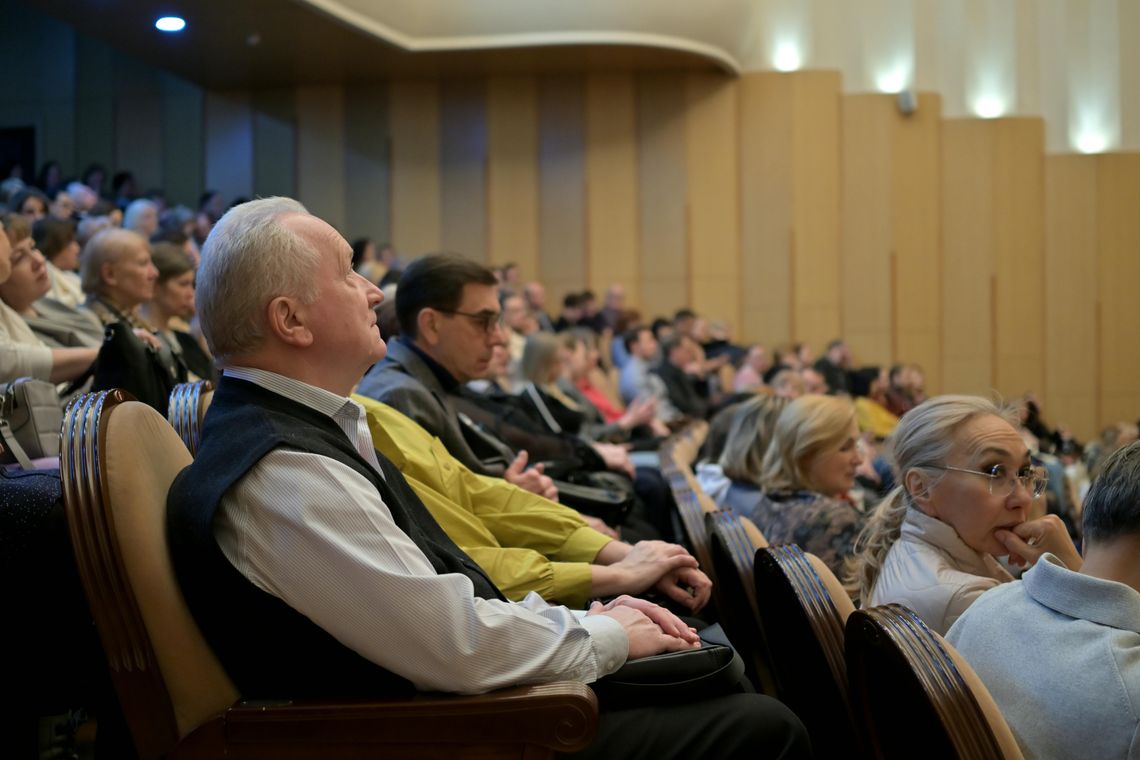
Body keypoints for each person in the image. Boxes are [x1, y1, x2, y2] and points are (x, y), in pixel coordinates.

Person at [167, 197, 808, 759]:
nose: (374, 292)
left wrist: (593, 614)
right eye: (347, 274)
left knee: (720, 672)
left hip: (443, 704)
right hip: (429, 733)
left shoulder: (313, 428)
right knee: (761, 723)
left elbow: (445, 585)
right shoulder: (287, 470)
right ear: (291, 321)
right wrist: (609, 630)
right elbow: (454, 642)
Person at [947, 441, 1140, 760]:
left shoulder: (987, 605)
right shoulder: (1131, 693)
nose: (1021, 498)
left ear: (1086, 529)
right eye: (994, 472)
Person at [845, 395, 1080, 634]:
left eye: (1025, 472)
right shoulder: (966, 598)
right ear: (922, 488)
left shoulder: (911, 549)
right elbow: (1097, 654)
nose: (1024, 498)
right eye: (994, 472)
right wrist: (1073, 572)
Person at [738, 395, 866, 576]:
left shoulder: (771, 502)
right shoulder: (836, 519)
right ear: (806, 456)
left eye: (857, 446)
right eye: (845, 448)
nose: (859, 460)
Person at [0, 215, 99, 383]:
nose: (39, 260)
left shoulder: (45, 303)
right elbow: (9, 363)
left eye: (33, 247)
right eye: (19, 258)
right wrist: (108, 351)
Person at [140, 242, 215, 381]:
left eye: (191, 284)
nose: (191, 294)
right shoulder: (142, 341)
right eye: (183, 284)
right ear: (155, 286)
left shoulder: (185, 339)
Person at [32, 216, 84, 307]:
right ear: (53, 247)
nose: (77, 248)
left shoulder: (74, 279)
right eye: (70, 242)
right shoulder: (44, 289)